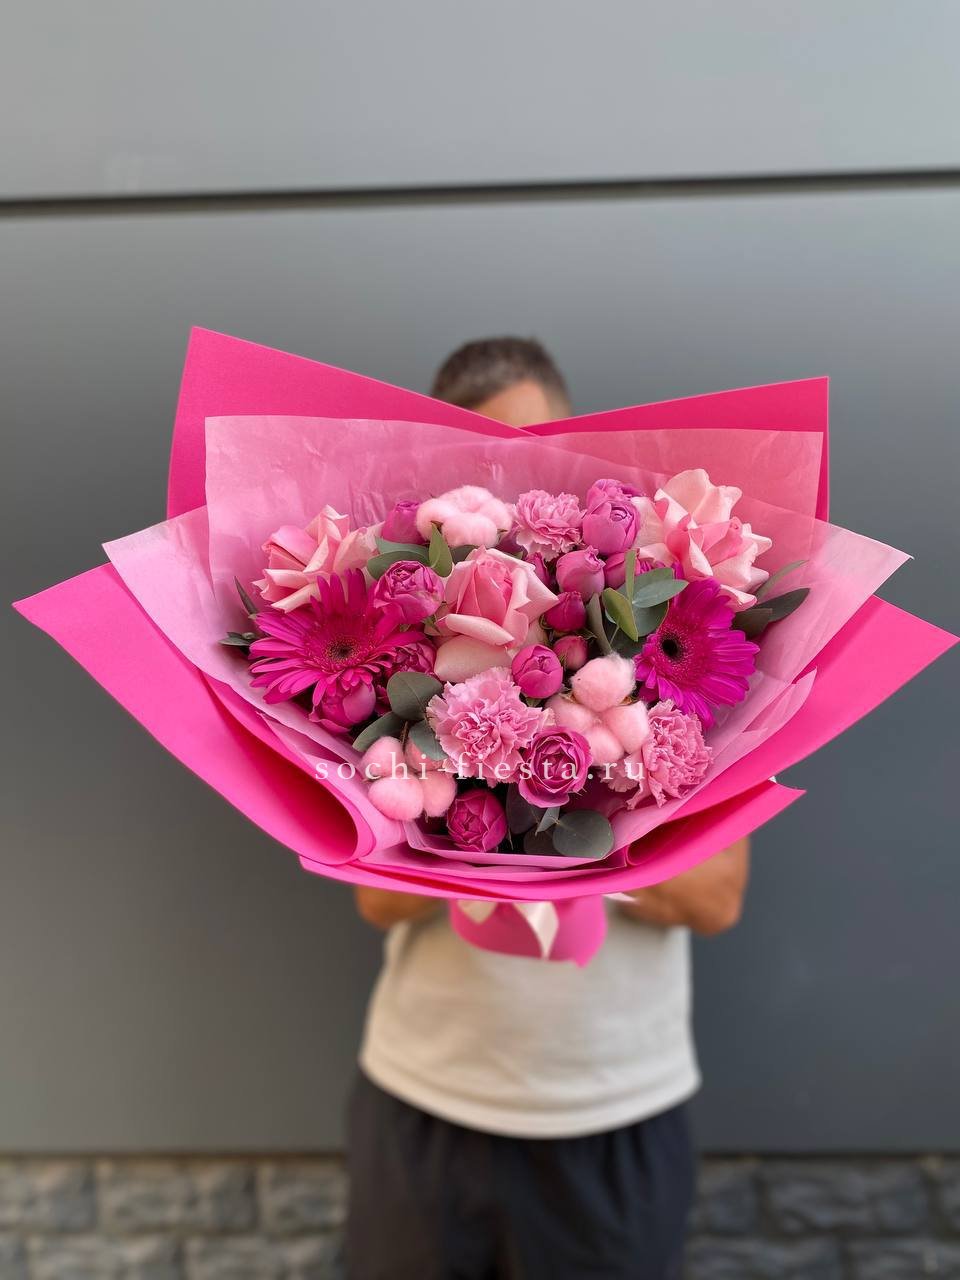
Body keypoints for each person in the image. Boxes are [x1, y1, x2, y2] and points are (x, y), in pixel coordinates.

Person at [345, 337, 749, 1280]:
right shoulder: (400, 640)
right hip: (427, 1099)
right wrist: (481, 780)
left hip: (614, 1109)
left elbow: (714, 898)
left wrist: (573, 787)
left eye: (536, 454)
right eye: (479, 463)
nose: (511, 487)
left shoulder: (669, 632)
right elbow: (378, 896)